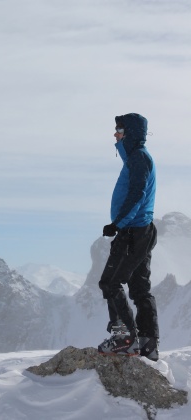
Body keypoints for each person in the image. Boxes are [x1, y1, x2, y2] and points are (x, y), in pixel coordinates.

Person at [98, 113, 159, 361]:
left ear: (131, 133)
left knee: (110, 283)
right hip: (140, 231)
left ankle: (124, 338)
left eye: (120, 130)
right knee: (139, 287)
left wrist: (116, 224)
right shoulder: (137, 158)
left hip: (133, 232)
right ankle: (147, 344)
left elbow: (137, 194)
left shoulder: (138, 158)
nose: (115, 134)